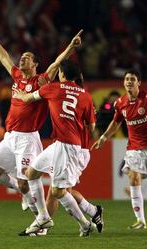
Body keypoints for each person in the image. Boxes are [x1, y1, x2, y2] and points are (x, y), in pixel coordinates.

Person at [0, 19, 83, 216]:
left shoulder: (42, 81)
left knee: (26, 179)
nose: (22, 60)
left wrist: (71, 46)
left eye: (27, 58)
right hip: (10, 136)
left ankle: (41, 217)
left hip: (27, 138)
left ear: (35, 64)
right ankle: (23, 193)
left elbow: (56, 63)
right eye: (21, 57)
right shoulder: (17, 77)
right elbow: (3, 57)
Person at [14, 60, 96, 237]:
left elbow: (28, 98)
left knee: (58, 191)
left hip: (66, 146)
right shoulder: (86, 95)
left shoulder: (54, 88)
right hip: (64, 143)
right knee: (31, 173)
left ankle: (84, 224)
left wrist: (18, 94)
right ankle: (44, 217)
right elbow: (91, 127)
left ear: (62, 74)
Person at [91, 71, 147, 229]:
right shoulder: (120, 103)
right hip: (134, 148)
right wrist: (104, 137)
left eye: (132, 79)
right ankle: (140, 220)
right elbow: (116, 122)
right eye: (126, 79)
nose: (129, 82)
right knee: (133, 177)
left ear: (139, 82)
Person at [36, 75, 104, 236]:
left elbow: (91, 127)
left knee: (59, 191)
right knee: (59, 190)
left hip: (75, 150)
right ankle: (93, 211)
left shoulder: (79, 98)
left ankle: (87, 218)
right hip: (65, 147)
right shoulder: (82, 97)